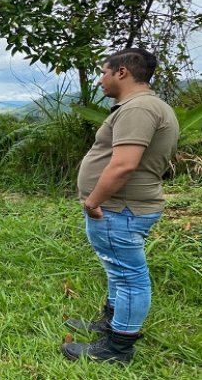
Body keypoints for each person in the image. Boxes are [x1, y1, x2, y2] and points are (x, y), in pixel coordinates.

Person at [61, 48, 179, 363]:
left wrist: (93, 201)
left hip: (119, 208)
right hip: (122, 207)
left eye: (104, 72)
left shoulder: (138, 108)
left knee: (128, 276)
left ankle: (117, 348)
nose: (100, 79)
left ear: (122, 72)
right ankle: (110, 324)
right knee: (118, 271)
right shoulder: (141, 106)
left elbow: (124, 164)